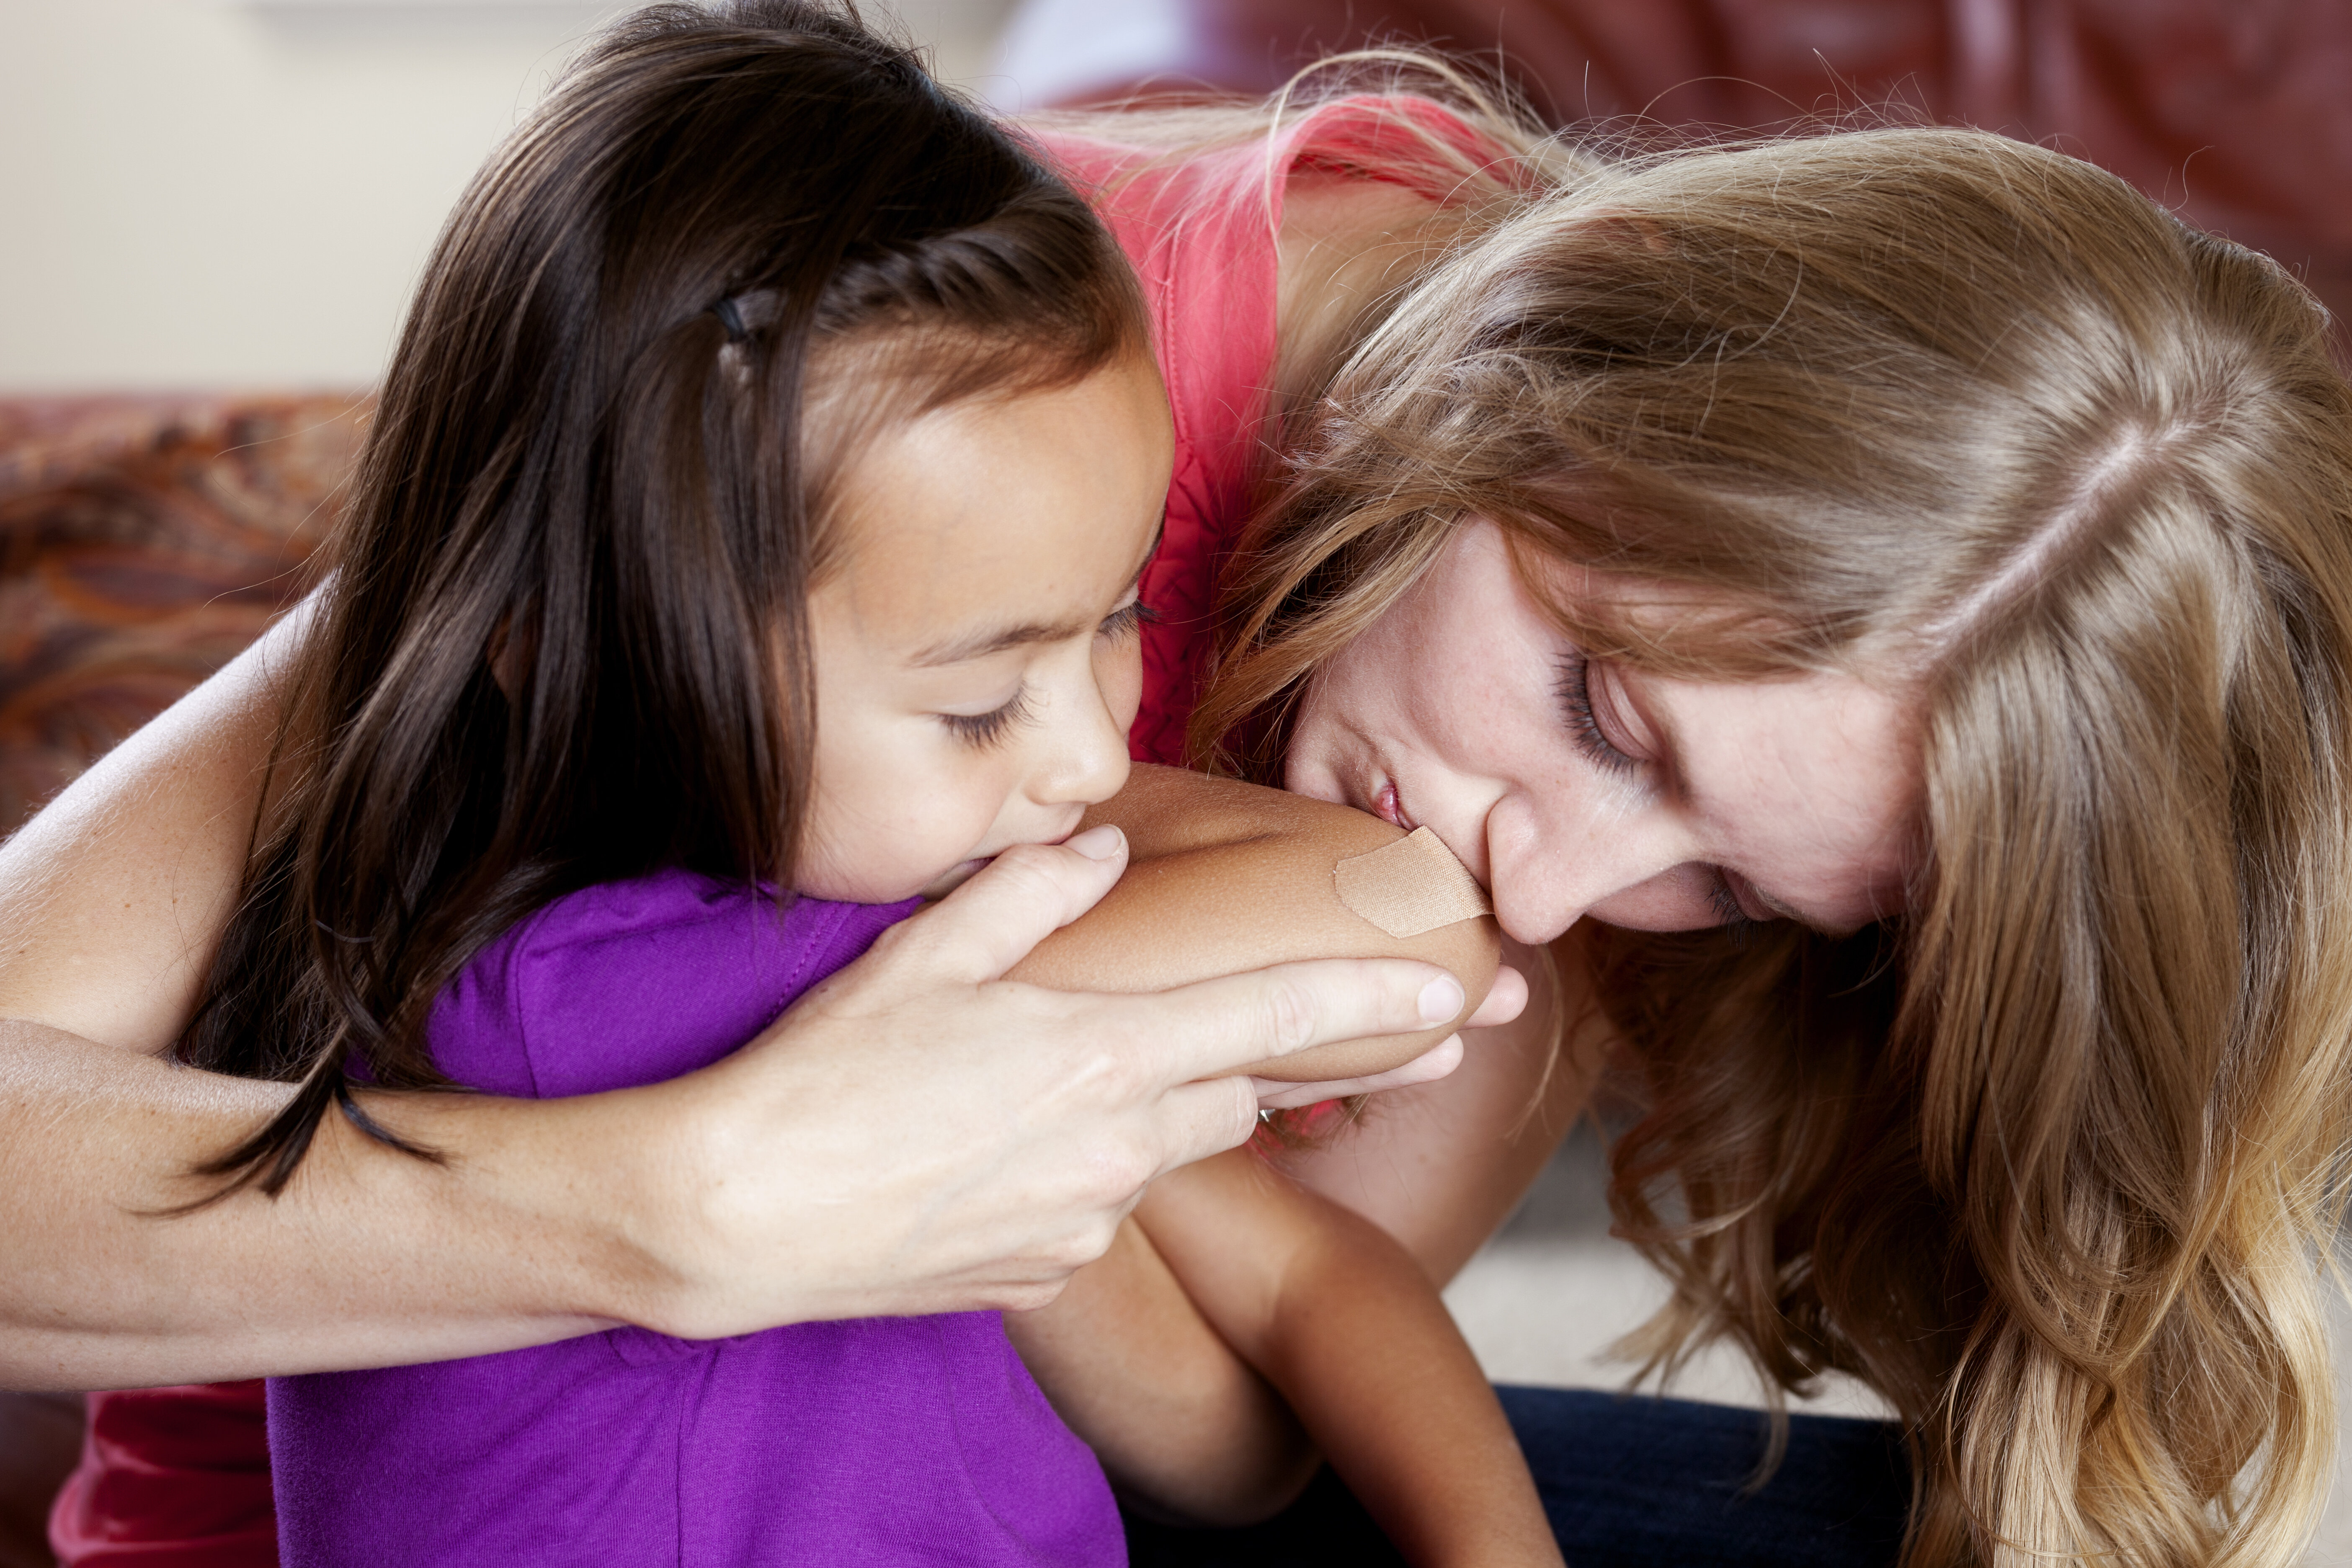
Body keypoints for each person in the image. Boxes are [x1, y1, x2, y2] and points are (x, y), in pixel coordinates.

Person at [10, 20, 2352, 1568]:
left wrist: (1039, 1142)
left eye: (1738, 882)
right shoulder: (899, 369)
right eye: (1612, 719)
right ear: (1567, 345)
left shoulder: (1536, 820)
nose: (1547, 880)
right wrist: (672, 1204)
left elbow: (1239, 1440)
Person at [203, 10, 1551, 1563]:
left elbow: (1315, 1281)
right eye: (980, 703)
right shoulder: (573, 1007)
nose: (1099, 759)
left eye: (1123, 618)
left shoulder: (890, 922)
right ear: (600, 655)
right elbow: (1398, 951)